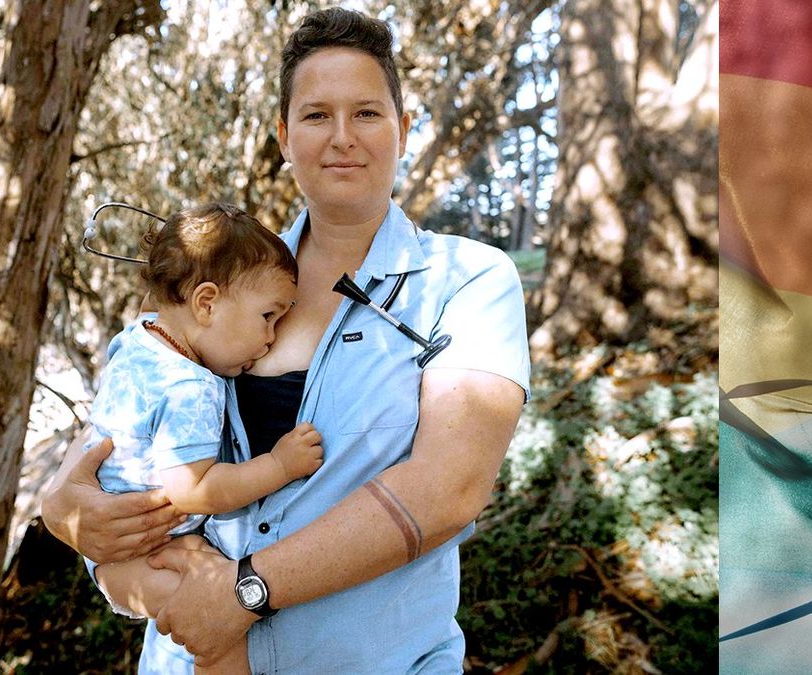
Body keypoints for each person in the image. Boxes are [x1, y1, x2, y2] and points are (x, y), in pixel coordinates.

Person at [42, 7, 530, 673]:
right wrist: (64, 506)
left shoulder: (468, 280)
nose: (342, 138)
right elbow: (128, 421)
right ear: (283, 135)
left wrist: (246, 591)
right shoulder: (220, 276)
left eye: (367, 113)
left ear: (404, 128)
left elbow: (449, 491)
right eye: (316, 115)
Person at [80, 203, 323, 674]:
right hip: (139, 554)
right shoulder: (190, 386)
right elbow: (192, 490)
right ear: (206, 303)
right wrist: (279, 466)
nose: (271, 337)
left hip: (132, 547)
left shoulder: (137, 338)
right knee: (218, 631)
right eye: (268, 317)